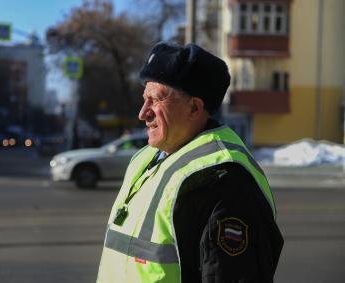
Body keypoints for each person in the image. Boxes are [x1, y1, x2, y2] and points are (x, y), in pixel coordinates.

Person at [96, 42, 283, 283]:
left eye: (155, 100)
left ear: (194, 107)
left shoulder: (224, 179)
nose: (143, 113)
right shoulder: (146, 157)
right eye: (144, 99)